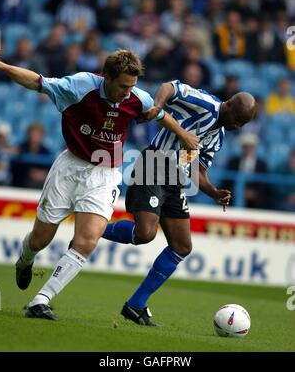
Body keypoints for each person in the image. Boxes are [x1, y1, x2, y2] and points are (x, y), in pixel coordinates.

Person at [0, 49, 199, 320]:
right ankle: (26, 260)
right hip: (70, 167)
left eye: (133, 86)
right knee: (40, 239)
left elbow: (159, 114)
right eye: (124, 86)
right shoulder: (79, 86)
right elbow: (36, 82)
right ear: (107, 78)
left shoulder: (137, 97)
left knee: (87, 240)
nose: (128, 92)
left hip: (105, 175)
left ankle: (40, 300)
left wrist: (183, 134)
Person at [102, 80, 257, 325]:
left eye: (243, 123)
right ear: (228, 105)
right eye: (237, 118)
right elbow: (170, 87)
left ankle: (135, 305)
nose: (238, 125)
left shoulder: (218, 135)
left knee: (182, 246)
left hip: (175, 177)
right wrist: (157, 106)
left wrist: (214, 192)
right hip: (153, 164)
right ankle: (93, 228)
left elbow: (198, 169)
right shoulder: (204, 103)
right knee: (145, 233)